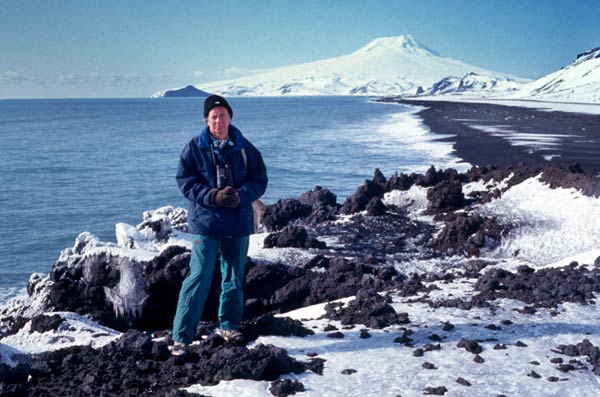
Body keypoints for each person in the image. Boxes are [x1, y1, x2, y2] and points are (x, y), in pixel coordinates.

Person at [171, 95, 268, 355]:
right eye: (213, 117)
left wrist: (241, 195)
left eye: (223, 115)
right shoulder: (193, 148)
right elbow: (185, 182)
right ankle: (181, 337)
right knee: (199, 276)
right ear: (206, 120)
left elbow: (260, 179)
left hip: (238, 222)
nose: (218, 121)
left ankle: (229, 326)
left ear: (230, 118)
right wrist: (211, 196)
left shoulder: (246, 148)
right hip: (206, 223)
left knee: (234, 275)